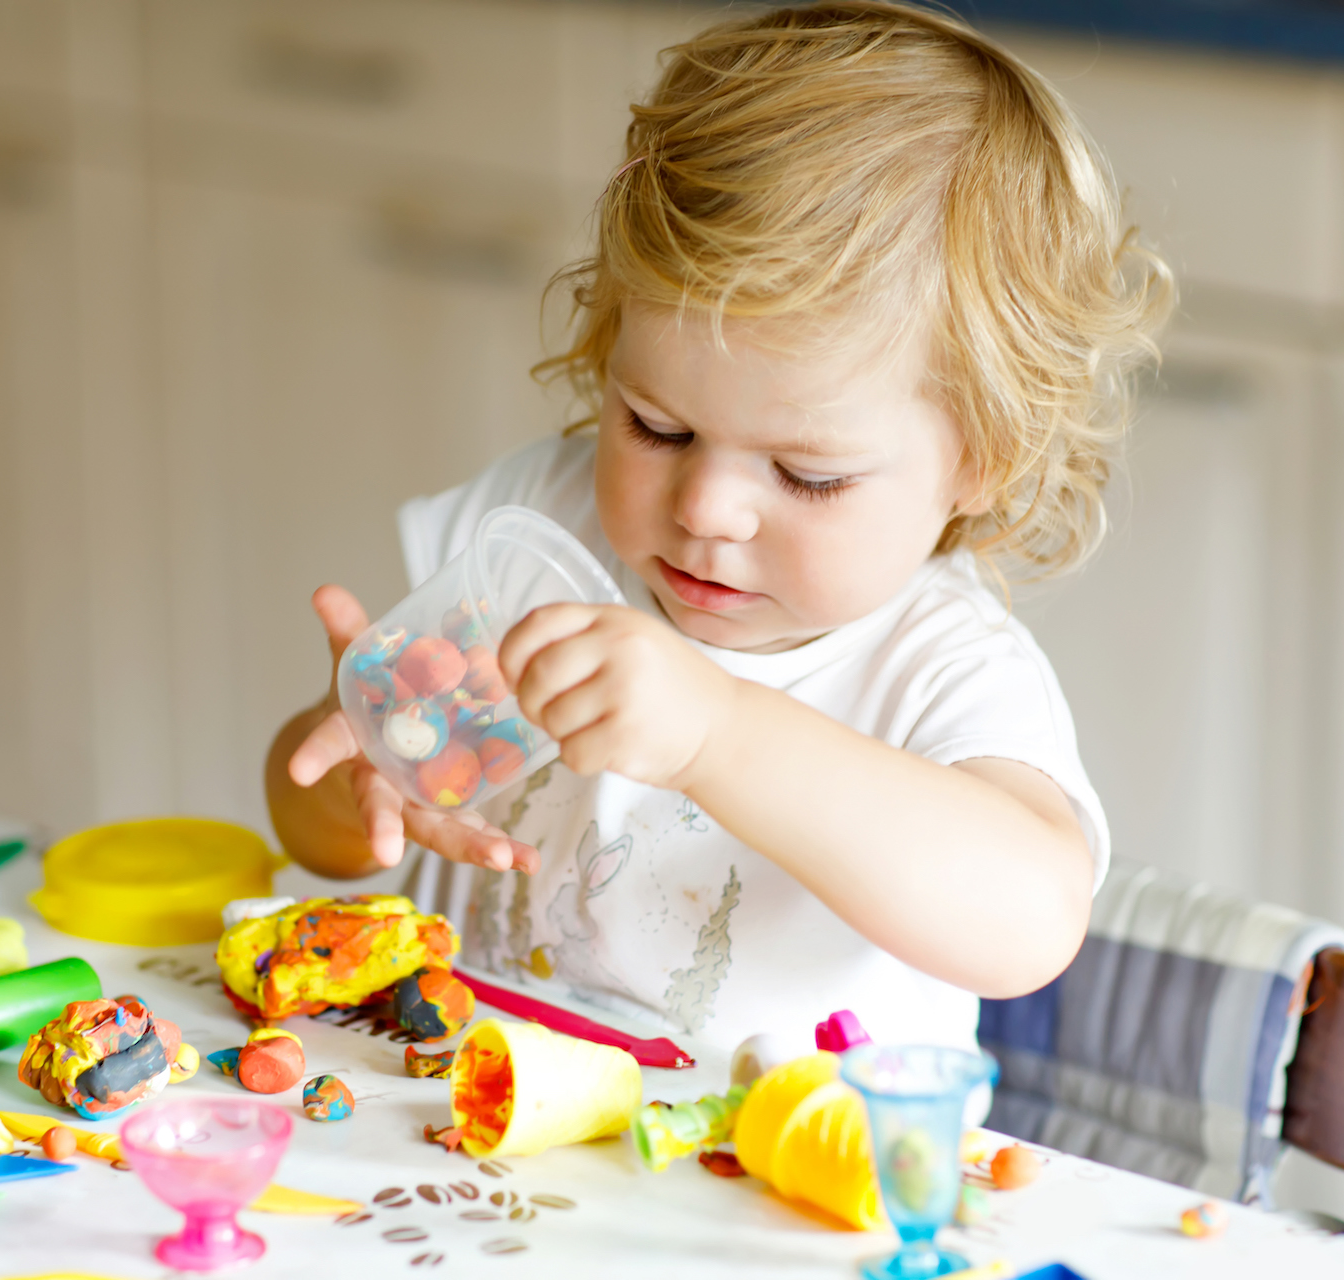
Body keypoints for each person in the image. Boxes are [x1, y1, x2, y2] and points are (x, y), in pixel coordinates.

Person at [265, 1, 1172, 1054]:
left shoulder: (938, 669)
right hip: (460, 1160)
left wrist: (719, 732)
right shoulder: (538, 534)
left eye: (806, 474)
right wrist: (351, 783)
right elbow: (319, 833)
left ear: (984, 457)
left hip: (779, 1200)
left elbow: (1029, 921)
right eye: (656, 425)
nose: (705, 508)